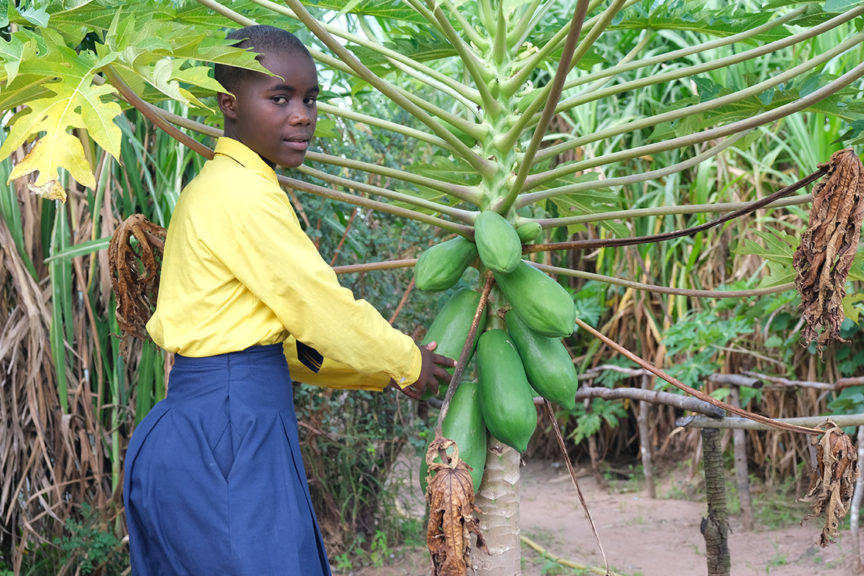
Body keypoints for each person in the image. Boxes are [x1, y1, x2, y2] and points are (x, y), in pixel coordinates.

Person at [123, 25, 453, 575]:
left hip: (198, 429)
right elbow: (321, 309)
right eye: (279, 98)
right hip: (229, 437)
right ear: (230, 105)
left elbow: (283, 349)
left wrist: (383, 374)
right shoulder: (244, 195)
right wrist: (405, 361)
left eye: (309, 99)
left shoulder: (214, 187)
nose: (301, 115)